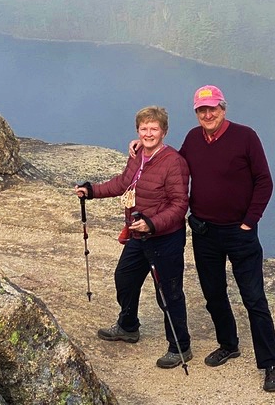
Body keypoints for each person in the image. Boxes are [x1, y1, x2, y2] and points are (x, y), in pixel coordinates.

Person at [130, 85, 275, 392]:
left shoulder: (246, 137)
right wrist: (142, 147)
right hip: (204, 231)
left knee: (254, 299)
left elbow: (264, 181)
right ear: (196, 113)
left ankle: (271, 365)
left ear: (223, 109)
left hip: (239, 232)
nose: (208, 114)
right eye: (202, 110)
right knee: (213, 294)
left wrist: (249, 221)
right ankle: (228, 344)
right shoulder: (192, 139)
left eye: (212, 108)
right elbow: (173, 162)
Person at [75, 105, 192, 370]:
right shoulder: (137, 155)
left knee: (168, 293)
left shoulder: (174, 162)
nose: (148, 133)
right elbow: (123, 183)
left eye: (154, 128)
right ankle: (128, 326)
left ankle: (180, 347)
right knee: (125, 278)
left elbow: (179, 205)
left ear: (164, 132)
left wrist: (151, 224)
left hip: (164, 238)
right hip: (138, 235)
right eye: (144, 128)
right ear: (138, 131)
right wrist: (91, 191)